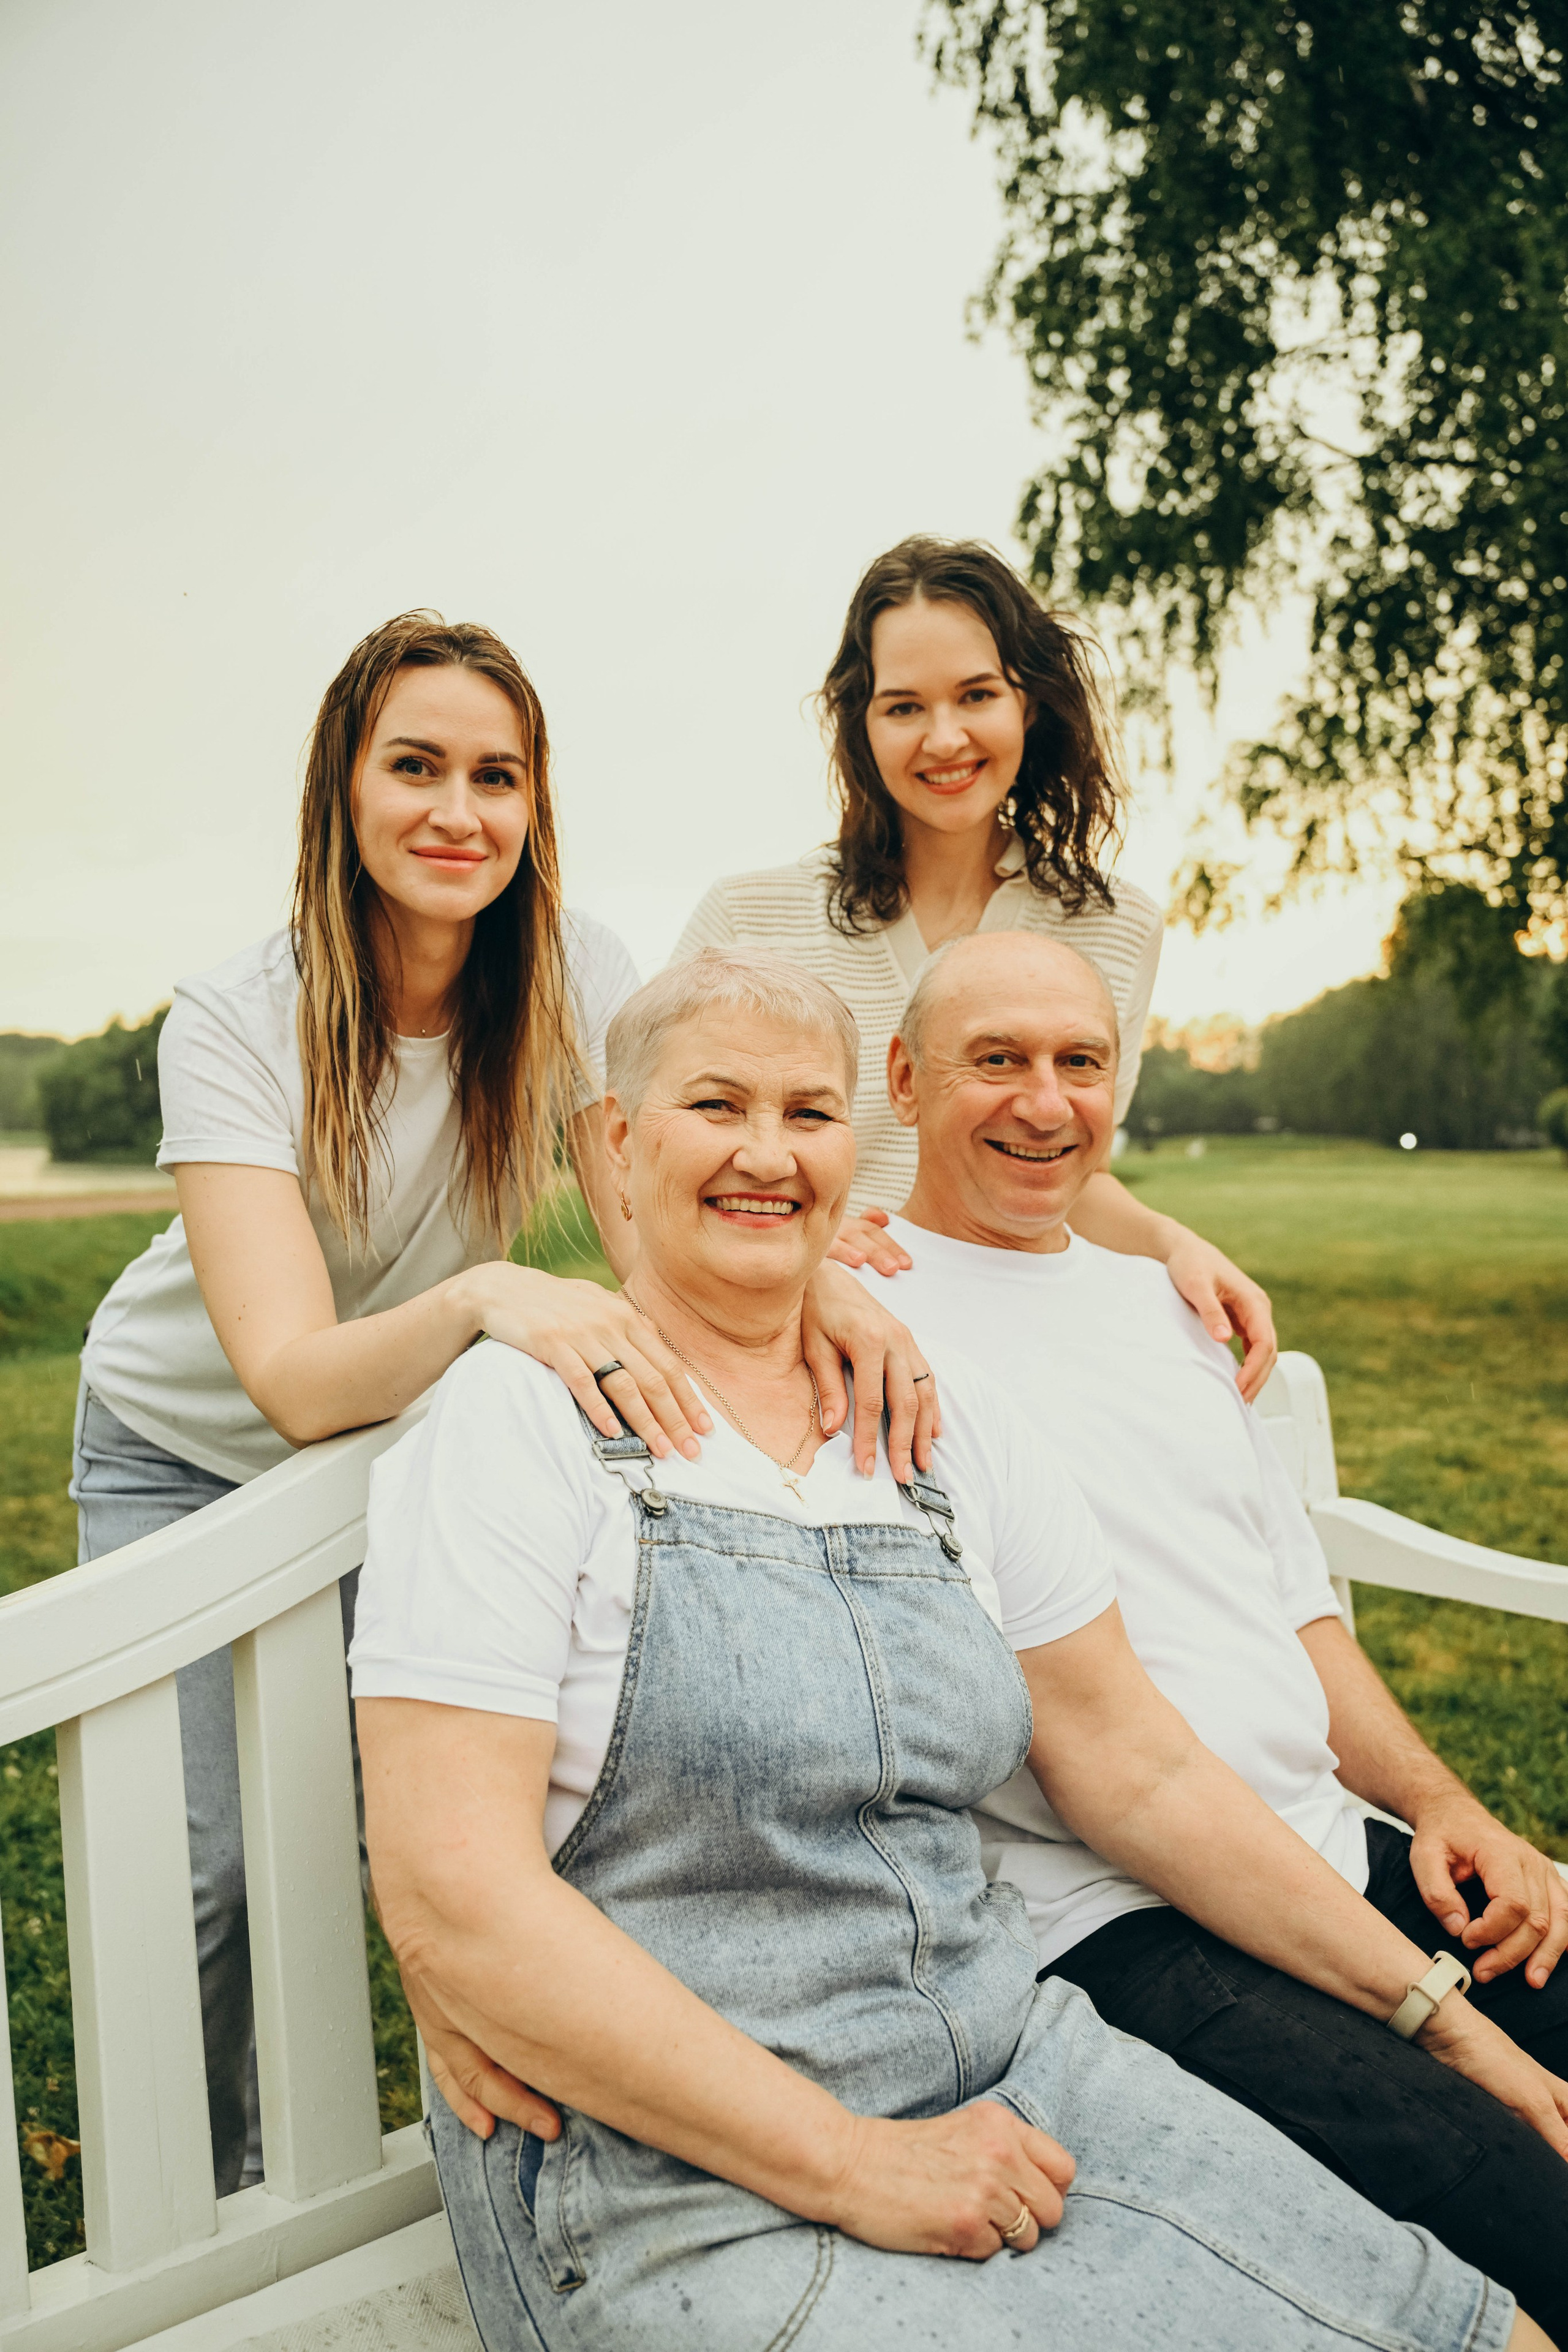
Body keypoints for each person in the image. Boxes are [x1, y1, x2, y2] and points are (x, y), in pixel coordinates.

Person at [352, 948, 1552, 2352]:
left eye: (805, 1114)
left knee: (1473, 2331)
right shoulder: (517, 1427)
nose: (765, 1154)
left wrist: (1448, 2022)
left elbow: (1138, 1767)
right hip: (666, 2161)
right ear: (618, 1144)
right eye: (714, 1107)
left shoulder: (938, 1418)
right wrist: (854, 2163)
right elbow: (456, 1892)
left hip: (1010, 2067)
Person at [72, 616, 931, 2198]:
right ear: (343, 784)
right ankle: (210, 2191)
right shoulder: (236, 1015)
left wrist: (825, 1285)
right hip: (185, 1446)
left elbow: (668, 1204)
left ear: (536, 804)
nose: (456, 813)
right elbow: (288, 1380)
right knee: (211, 1866)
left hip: (402, 1442)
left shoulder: (579, 975)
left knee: (437, 1813)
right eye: (416, 767)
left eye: (496, 775)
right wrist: (482, 1299)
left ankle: (469, 2143)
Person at [851, 925, 1568, 2336]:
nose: (1042, 1103)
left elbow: (1291, 1607)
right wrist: (1446, 2019)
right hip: (1125, 1922)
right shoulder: (865, 1325)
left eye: (1078, 1063)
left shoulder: (1166, 1308)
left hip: (1339, 1853)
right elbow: (1107, 1778)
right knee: (1527, 2202)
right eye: (993, 1061)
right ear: (903, 1079)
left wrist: (1435, 1802)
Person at [673, 533, 1280, 1399]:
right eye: (904, 706)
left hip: (1009, 1356)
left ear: (1027, 705)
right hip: (791, 1345)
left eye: (977, 695)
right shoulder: (748, 917)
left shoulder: (1116, 925)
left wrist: (1174, 1244)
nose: (945, 738)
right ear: (861, 722)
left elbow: (1072, 1170)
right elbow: (663, 1156)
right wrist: (801, 1238)